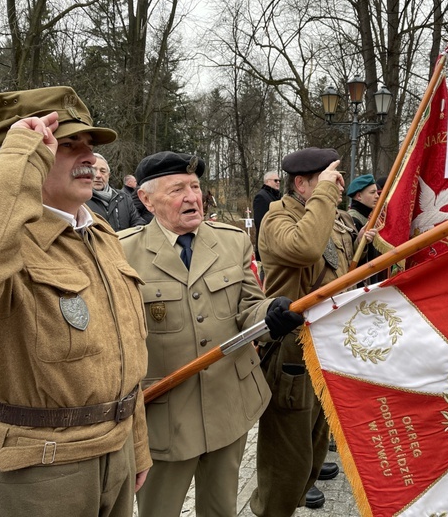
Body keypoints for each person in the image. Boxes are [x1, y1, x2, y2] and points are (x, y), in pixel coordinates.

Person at [0, 86, 152, 517]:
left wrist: (136, 444)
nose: (87, 156)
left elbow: (125, 350)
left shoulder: (99, 232)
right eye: (67, 144)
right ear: (30, 153)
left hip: (116, 451)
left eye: (89, 144)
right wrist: (15, 158)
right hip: (40, 468)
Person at [118, 151, 303, 517]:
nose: (192, 197)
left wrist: (271, 314)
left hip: (228, 404)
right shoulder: (121, 252)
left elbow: (248, 307)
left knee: (221, 509)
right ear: (146, 199)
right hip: (163, 414)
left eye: (195, 186)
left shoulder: (232, 241)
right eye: (177, 189)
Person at [250, 147, 373, 515]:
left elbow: (342, 270)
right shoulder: (276, 219)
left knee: (315, 451)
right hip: (291, 350)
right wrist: (323, 198)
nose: (337, 185)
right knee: (287, 464)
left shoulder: (329, 217)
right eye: (327, 179)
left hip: (325, 346)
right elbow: (304, 248)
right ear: (301, 184)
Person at [86, 154, 145, 231]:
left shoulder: (123, 197)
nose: (98, 175)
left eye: (103, 171)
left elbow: (138, 223)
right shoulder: (79, 201)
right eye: (93, 170)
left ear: (108, 175)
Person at [346, 174, 387, 284]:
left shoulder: (368, 217)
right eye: (372, 192)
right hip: (359, 283)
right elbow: (350, 257)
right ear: (359, 196)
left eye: (376, 192)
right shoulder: (352, 219)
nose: (377, 196)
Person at [253, 171, 282, 266]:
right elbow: (260, 222)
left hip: (278, 242)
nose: (278, 182)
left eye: (279, 180)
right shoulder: (261, 196)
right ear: (267, 181)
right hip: (266, 244)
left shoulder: (278, 197)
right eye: (275, 180)